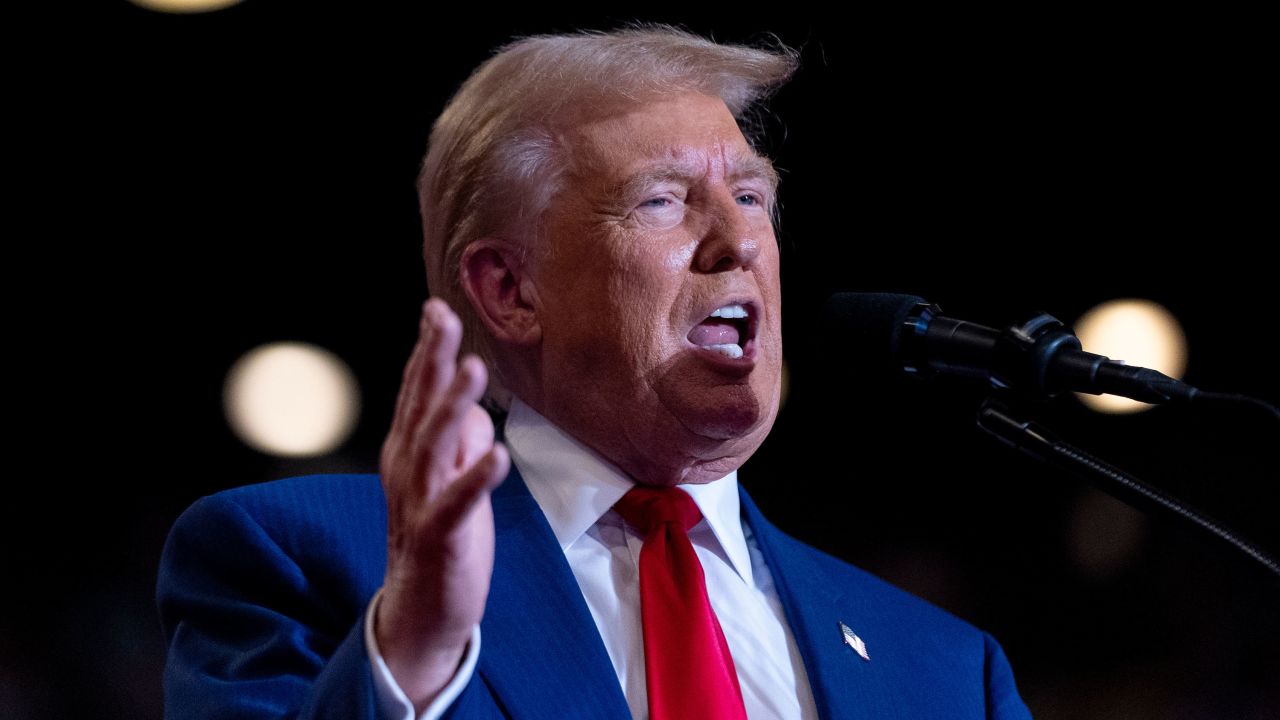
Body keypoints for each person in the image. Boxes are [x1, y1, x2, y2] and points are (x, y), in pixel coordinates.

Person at [158, 26, 1033, 720]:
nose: (739, 242)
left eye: (752, 196)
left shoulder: (948, 670)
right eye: (662, 200)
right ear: (509, 290)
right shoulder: (304, 559)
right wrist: (412, 654)